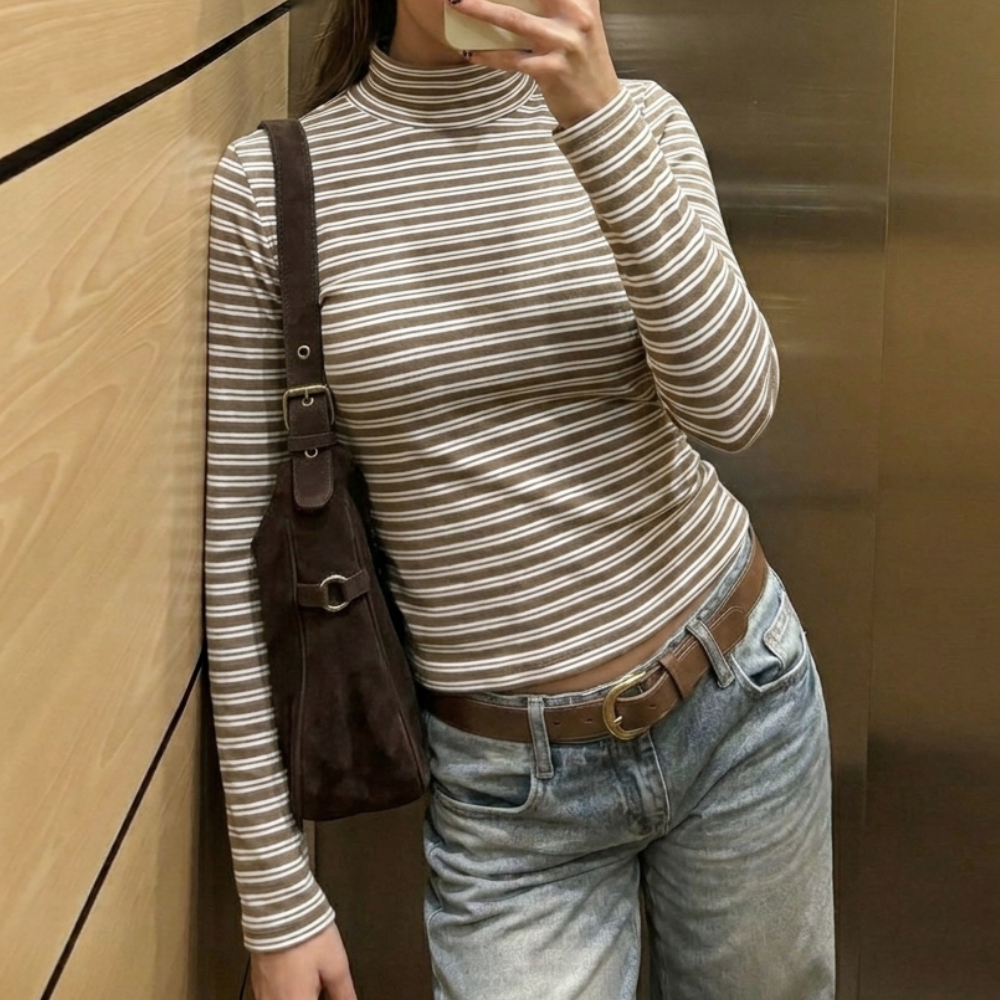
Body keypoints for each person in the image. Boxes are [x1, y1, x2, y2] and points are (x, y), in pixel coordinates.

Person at [204, 0, 836, 997]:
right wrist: (277, 893)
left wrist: (595, 116)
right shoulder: (274, 187)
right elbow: (241, 555)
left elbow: (736, 407)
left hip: (740, 702)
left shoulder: (638, 118)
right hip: (509, 802)